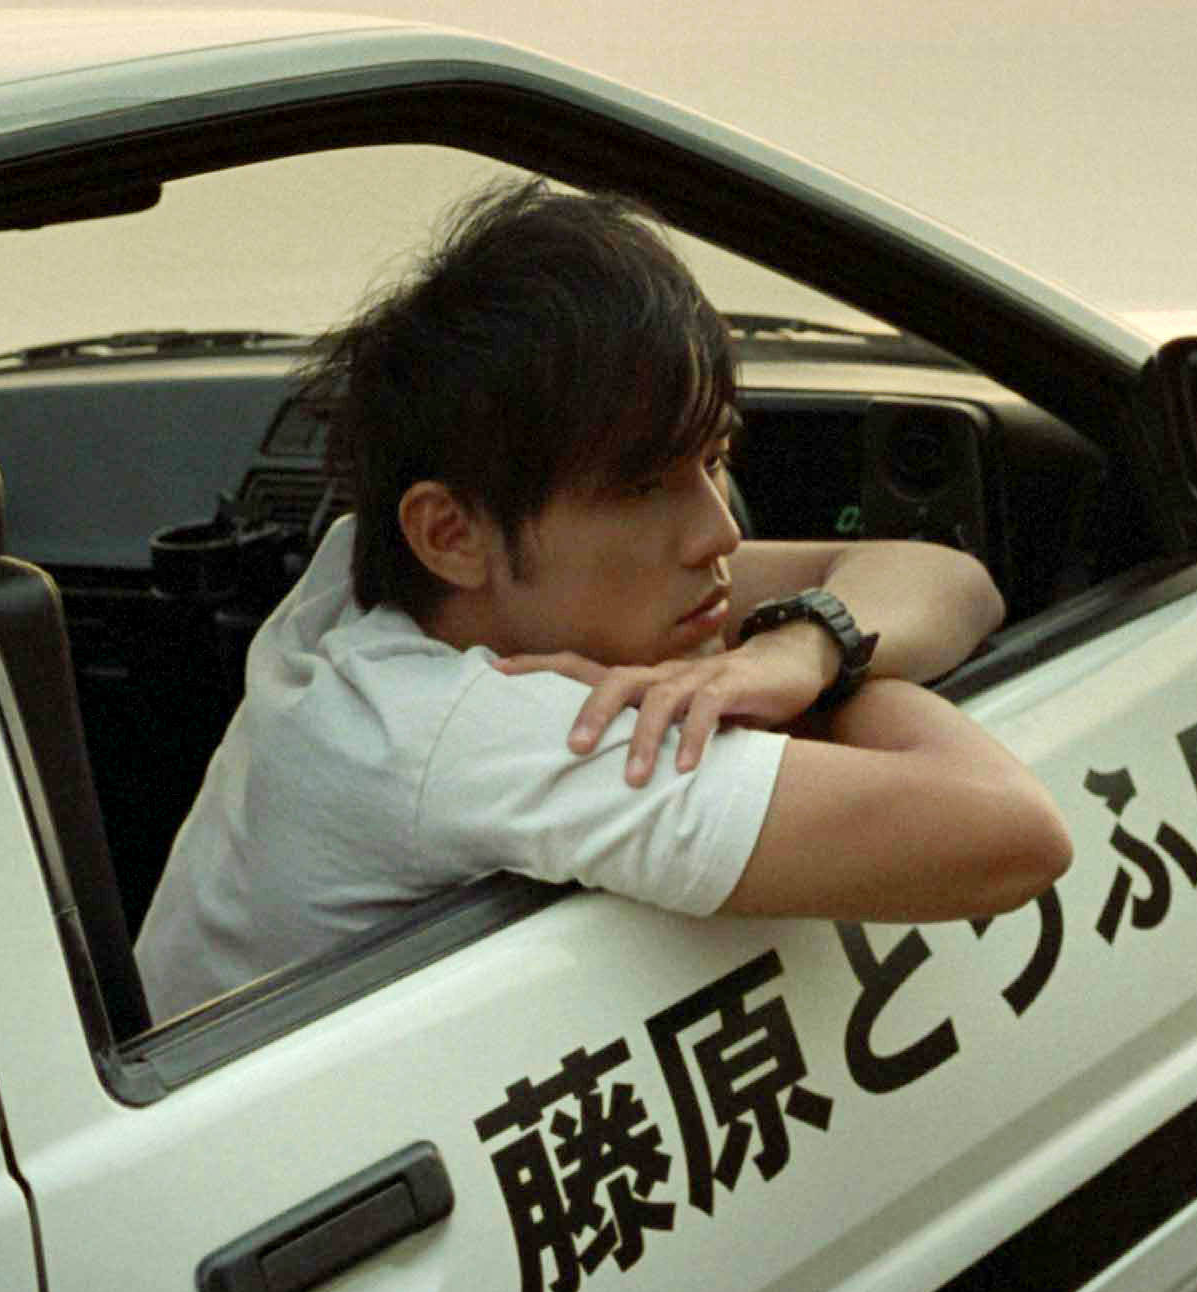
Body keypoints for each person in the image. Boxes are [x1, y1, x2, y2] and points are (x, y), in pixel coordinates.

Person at [135, 181, 1072, 1022]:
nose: (718, 533)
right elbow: (1011, 831)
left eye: (714, 460)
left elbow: (947, 579)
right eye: (644, 486)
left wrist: (793, 653)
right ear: (450, 533)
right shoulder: (457, 730)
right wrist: (836, 687)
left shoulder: (382, 583)